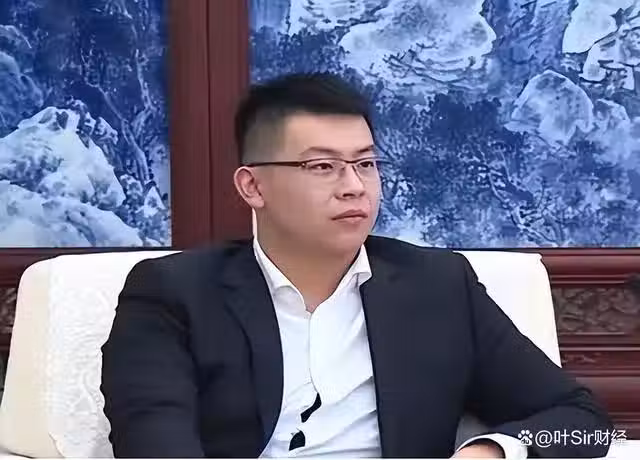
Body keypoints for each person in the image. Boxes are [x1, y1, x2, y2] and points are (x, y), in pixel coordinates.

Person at [101, 73, 613, 458]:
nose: (354, 186)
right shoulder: (173, 293)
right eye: (322, 166)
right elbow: (154, 445)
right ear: (253, 186)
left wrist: (491, 452)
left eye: (366, 163)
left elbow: (585, 424)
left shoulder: (439, 287)